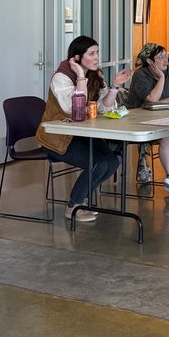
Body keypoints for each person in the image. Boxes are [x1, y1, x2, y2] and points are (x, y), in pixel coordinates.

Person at [36, 35, 132, 222]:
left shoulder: (96, 74)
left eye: (97, 53)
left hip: (81, 133)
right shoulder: (61, 78)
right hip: (58, 137)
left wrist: (115, 86)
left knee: (113, 162)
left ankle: (82, 199)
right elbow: (76, 109)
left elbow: (104, 107)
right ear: (77, 58)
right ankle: (74, 206)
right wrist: (80, 75)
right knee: (98, 164)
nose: (96, 58)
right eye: (91, 54)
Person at [127, 42, 169, 198]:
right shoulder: (140, 75)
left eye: (165, 56)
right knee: (166, 135)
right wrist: (161, 78)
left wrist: (159, 104)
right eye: (161, 57)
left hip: (162, 116)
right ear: (149, 61)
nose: (165, 60)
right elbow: (151, 98)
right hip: (138, 120)